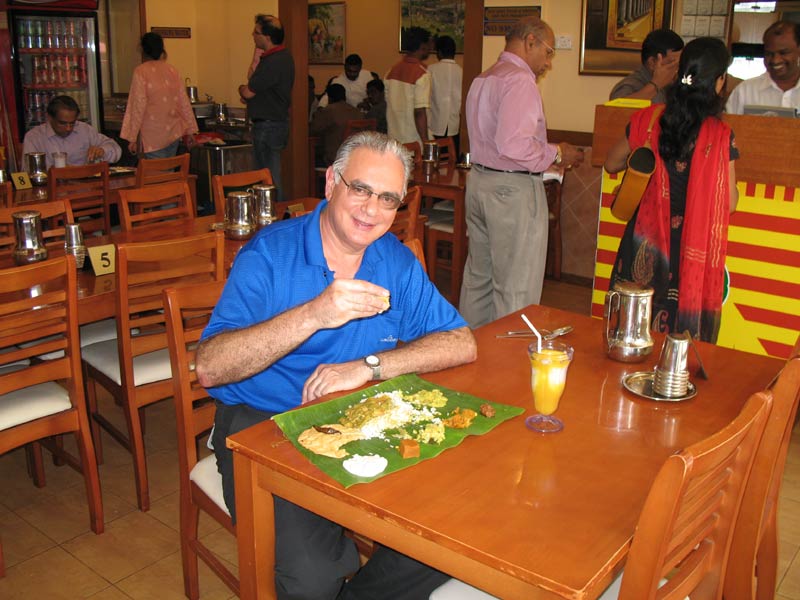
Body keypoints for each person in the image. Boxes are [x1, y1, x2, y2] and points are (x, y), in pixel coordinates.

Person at [195, 131, 476, 600]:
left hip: (359, 416)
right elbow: (209, 368)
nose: (371, 209)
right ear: (331, 184)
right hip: (264, 426)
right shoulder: (270, 253)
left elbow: (461, 342)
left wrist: (371, 365)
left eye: (387, 199)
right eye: (360, 189)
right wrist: (313, 314)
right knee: (313, 573)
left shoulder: (395, 261)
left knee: (449, 529)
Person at [605, 37, 739, 343]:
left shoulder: (648, 119)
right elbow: (729, 202)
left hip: (645, 241)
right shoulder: (720, 135)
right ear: (718, 82)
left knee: (632, 325)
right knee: (677, 336)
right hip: (689, 245)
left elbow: (612, 163)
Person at [459, 17, 584, 328]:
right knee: (515, 284)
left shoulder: (484, 78)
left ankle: (469, 355)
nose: (548, 62)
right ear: (531, 41)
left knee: (478, 279)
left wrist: (542, 157)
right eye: (549, 51)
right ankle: (504, 366)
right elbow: (514, 146)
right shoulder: (519, 80)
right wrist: (556, 152)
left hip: (479, 182)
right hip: (511, 192)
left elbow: (496, 143)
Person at [239, 14, 294, 200]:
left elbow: (248, 92)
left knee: (266, 178)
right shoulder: (283, 57)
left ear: (267, 37)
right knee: (269, 175)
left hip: (268, 126)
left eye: (256, 32)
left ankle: (273, 217)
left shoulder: (273, 61)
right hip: (275, 122)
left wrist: (241, 89)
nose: (253, 35)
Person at [120, 32, 197, 159]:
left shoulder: (141, 71)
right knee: (168, 172)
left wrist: (132, 137)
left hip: (152, 135)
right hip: (173, 132)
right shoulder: (172, 70)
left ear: (143, 50)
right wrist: (190, 131)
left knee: (156, 175)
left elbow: (138, 106)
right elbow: (183, 102)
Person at [22, 95, 121, 169]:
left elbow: (116, 150)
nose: (68, 128)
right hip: (50, 190)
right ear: (49, 117)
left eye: (72, 123)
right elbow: (28, 171)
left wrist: (102, 150)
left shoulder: (84, 130)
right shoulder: (34, 137)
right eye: (63, 123)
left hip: (84, 187)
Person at [726, 20, 800, 115]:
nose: (775, 60)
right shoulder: (745, 91)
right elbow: (730, 127)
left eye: (783, 53)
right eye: (769, 54)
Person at [609, 29, 685, 104]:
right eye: (671, 63)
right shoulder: (629, 86)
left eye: (679, 63)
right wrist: (656, 84)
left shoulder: (671, 86)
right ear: (652, 62)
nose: (676, 69)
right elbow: (616, 111)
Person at [385, 26, 432, 145]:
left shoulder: (391, 71)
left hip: (394, 139)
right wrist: (426, 142)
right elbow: (419, 112)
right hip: (414, 141)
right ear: (423, 46)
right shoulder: (422, 74)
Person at [310, 83, 363, 165]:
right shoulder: (357, 111)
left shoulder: (329, 110)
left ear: (329, 98)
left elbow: (312, 130)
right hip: (355, 157)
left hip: (334, 158)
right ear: (344, 96)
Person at [427, 35, 462, 151]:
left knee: (435, 161)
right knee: (451, 160)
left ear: (439, 53)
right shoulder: (462, 71)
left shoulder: (430, 70)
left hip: (435, 123)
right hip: (455, 125)